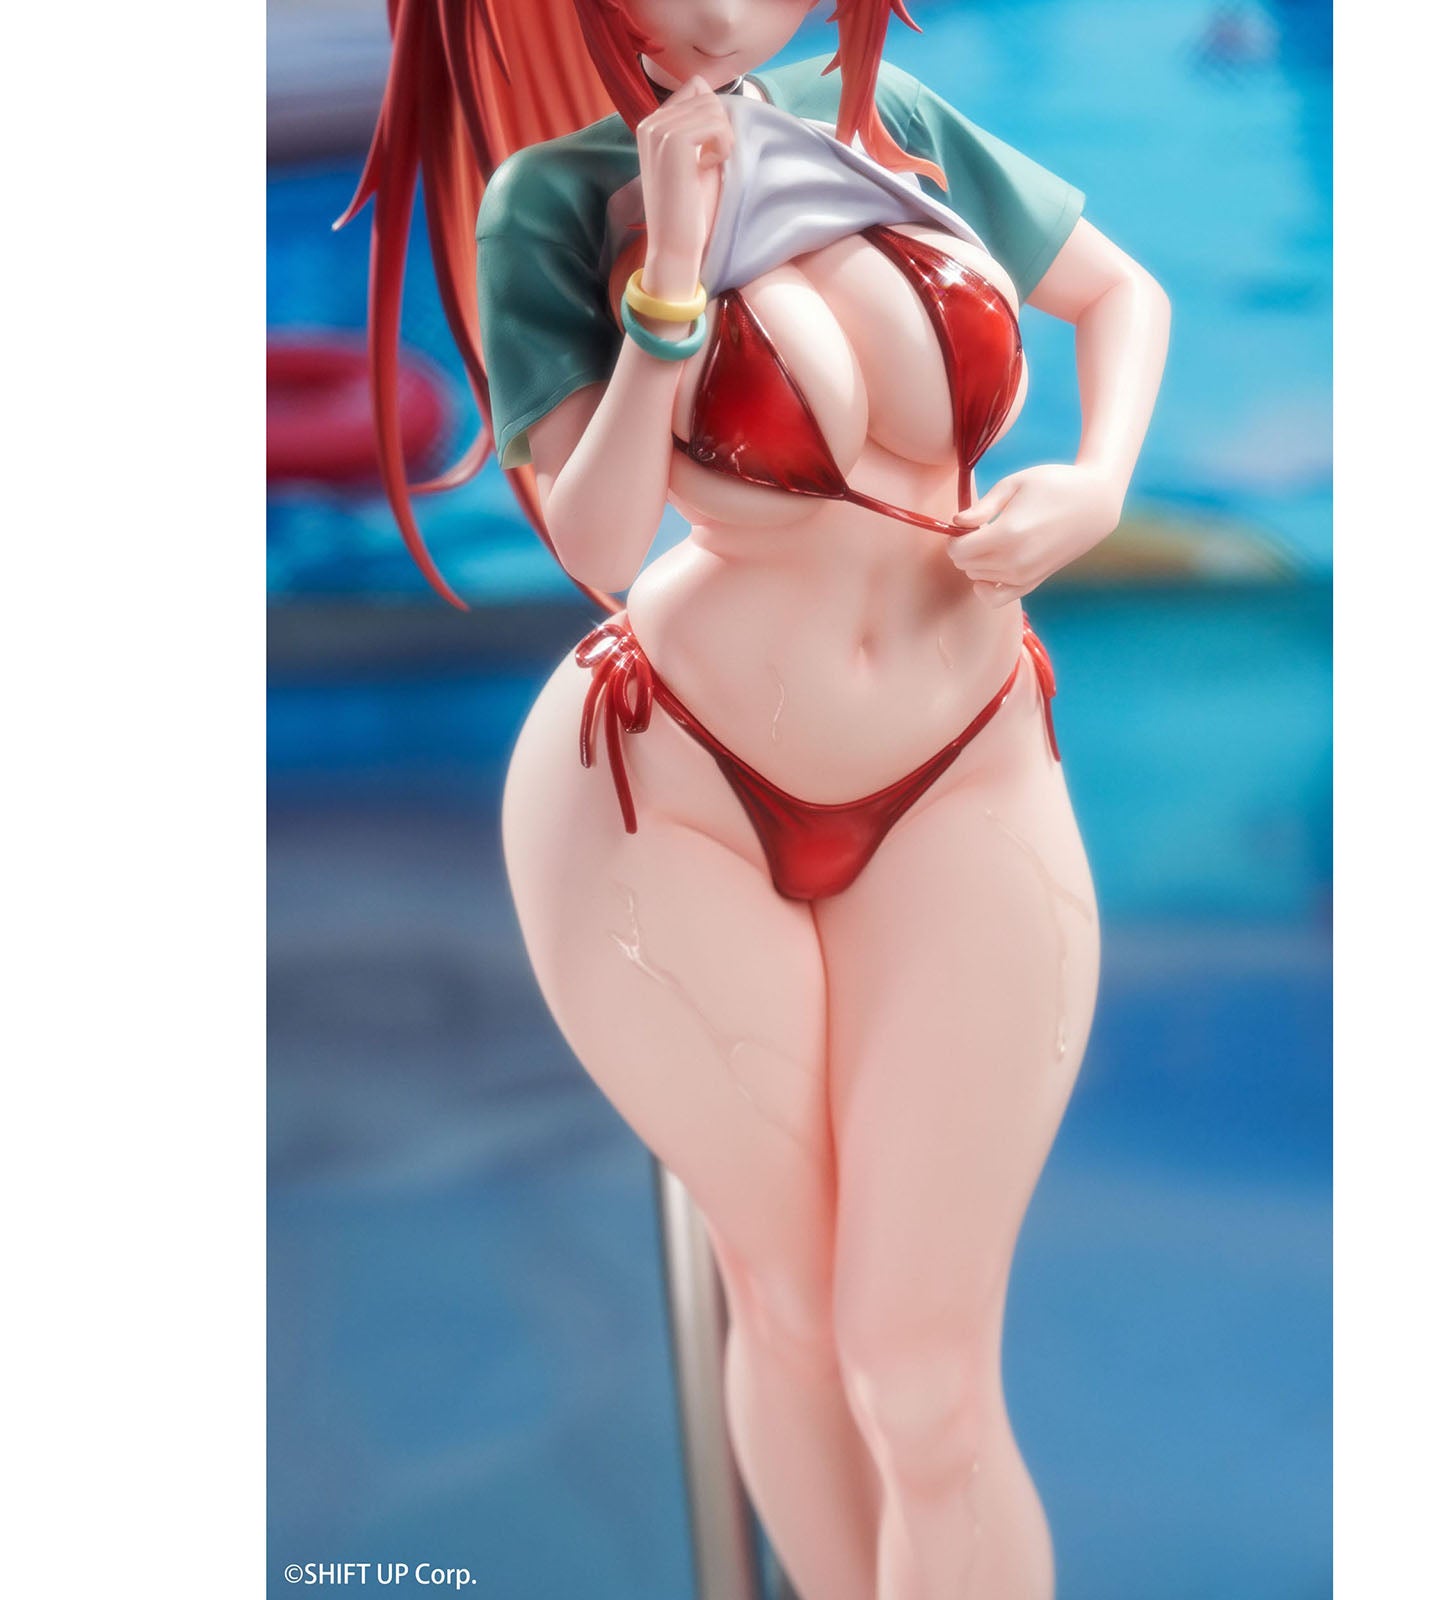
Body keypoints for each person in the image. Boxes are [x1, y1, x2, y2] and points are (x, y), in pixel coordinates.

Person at [349, 2, 1169, 1595]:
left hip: (967, 752)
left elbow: (1119, 291)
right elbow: (596, 544)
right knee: (789, 1306)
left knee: (923, 1371)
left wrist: (1099, 482)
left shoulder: (887, 117)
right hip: (667, 781)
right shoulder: (553, 200)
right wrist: (667, 276)